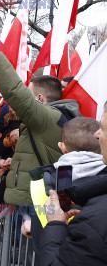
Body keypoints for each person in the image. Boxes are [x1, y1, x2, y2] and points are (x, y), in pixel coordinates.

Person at [0, 21, 82, 254]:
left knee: (22, 251)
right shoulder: (57, 116)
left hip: (35, 202)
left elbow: (13, 90)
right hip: (36, 197)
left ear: (38, 98)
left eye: (28, 91)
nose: (23, 95)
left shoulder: (48, 116)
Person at [40, 113, 107, 266]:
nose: (97, 134)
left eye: (103, 128)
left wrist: (56, 225)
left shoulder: (94, 221)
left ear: (62, 147)